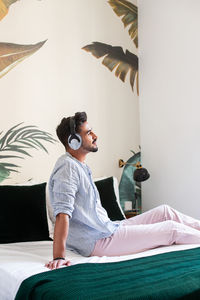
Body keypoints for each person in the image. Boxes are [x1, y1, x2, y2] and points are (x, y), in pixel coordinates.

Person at [46, 112, 200, 270]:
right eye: (88, 132)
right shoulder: (67, 167)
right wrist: (59, 256)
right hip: (97, 241)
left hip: (107, 228)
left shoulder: (79, 165)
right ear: (74, 141)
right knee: (171, 229)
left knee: (165, 212)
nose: (95, 136)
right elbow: (62, 214)